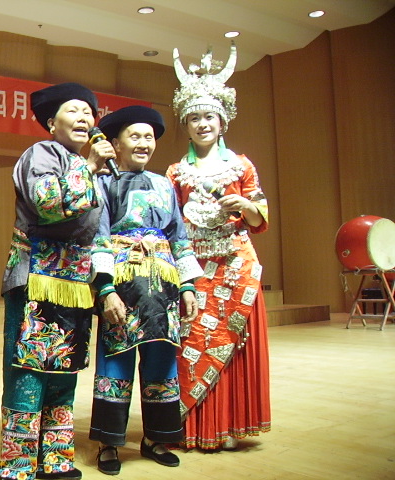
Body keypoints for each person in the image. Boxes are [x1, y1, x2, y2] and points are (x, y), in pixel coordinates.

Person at [0, 82, 115, 480]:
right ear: (51, 123)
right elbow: (46, 203)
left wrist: (104, 283)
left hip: (77, 284)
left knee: (65, 369)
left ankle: (56, 457)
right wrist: (90, 168)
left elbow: (98, 231)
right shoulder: (41, 153)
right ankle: (17, 463)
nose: (84, 118)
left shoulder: (89, 165)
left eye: (88, 112)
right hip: (37, 277)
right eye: (73, 110)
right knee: (28, 370)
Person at [165, 43, 271, 450]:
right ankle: (197, 427)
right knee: (193, 345)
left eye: (209, 116)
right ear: (186, 124)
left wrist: (245, 205)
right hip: (195, 268)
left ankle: (230, 426)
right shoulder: (176, 171)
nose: (202, 123)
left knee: (234, 345)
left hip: (235, 265)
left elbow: (259, 219)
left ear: (222, 120)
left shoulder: (241, 165)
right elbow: (172, 224)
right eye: (194, 117)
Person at [87, 106, 204, 475]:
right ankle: (109, 442)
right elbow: (98, 237)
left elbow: (178, 236)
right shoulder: (103, 183)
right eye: (134, 136)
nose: (143, 143)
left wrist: (187, 286)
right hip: (123, 285)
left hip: (163, 287)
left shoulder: (164, 184)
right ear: (116, 143)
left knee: (162, 362)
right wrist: (106, 290)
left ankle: (156, 437)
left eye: (149, 137)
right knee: (116, 361)